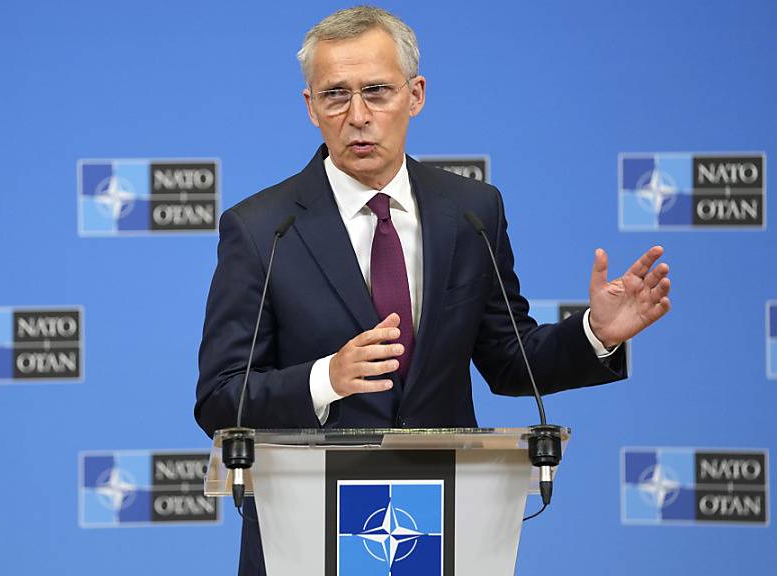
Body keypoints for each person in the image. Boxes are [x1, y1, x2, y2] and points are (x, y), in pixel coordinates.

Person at [194, 6, 671, 575]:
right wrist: (326, 378)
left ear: (415, 95)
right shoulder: (261, 228)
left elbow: (509, 360)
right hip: (306, 531)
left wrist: (594, 334)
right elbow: (220, 397)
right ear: (310, 108)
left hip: (442, 521)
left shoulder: (471, 211)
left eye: (377, 91)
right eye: (336, 96)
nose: (358, 115)